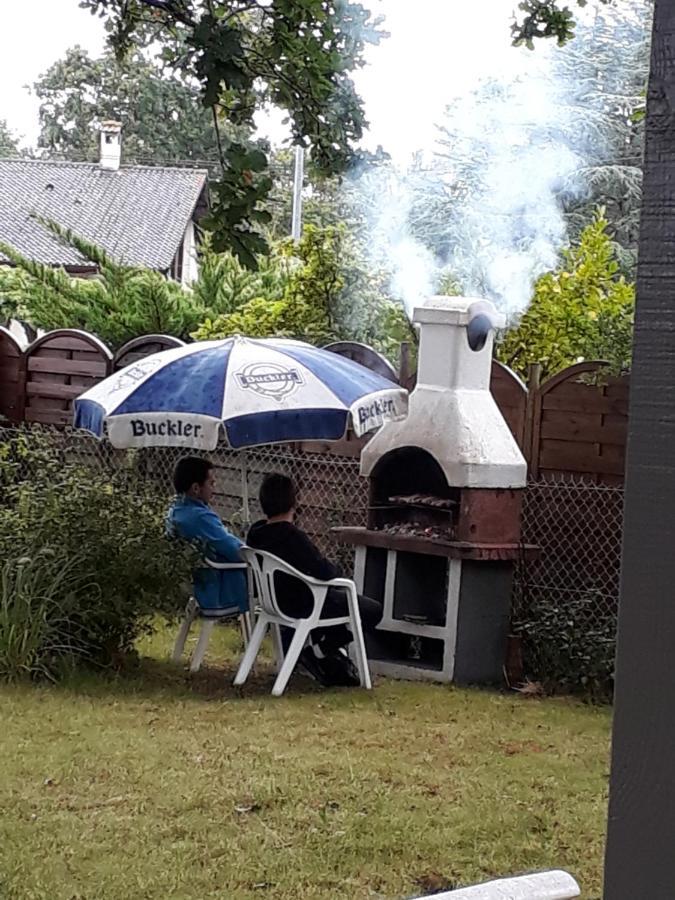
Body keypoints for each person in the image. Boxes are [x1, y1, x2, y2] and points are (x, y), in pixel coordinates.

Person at [247, 472, 383, 686]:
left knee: (338, 606)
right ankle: (317, 652)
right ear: (293, 501)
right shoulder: (292, 537)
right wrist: (339, 574)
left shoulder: (255, 533)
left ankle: (321, 656)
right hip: (304, 604)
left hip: (271, 602)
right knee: (371, 610)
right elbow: (324, 572)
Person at [166, 457, 247, 616]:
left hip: (195, 584)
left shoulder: (175, 511)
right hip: (219, 586)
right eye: (211, 483)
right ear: (196, 488)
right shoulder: (200, 518)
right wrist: (259, 556)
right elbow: (235, 550)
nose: (214, 489)